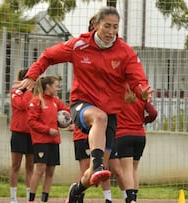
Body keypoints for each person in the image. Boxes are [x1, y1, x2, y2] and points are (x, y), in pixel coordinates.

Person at [14, 6, 152, 203]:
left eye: (115, 27)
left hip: (109, 114)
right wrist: (32, 76)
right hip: (82, 105)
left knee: (96, 175)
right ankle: (97, 166)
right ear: (96, 25)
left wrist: (142, 90)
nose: (111, 32)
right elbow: (48, 55)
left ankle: (77, 189)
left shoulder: (125, 52)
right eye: (107, 26)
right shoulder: (79, 45)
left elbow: (137, 79)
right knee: (99, 118)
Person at [27, 76, 70, 203]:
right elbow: (31, 122)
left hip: (54, 141)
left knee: (50, 171)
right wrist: (47, 130)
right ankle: (31, 200)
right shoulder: (36, 101)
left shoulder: (56, 101)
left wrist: (70, 122)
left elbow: (67, 112)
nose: (58, 88)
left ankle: (45, 199)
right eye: (56, 86)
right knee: (39, 170)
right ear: (48, 86)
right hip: (41, 141)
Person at [116, 86, 158, 203]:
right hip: (140, 135)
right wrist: (144, 120)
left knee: (127, 169)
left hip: (123, 135)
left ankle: (130, 200)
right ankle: (134, 198)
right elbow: (153, 113)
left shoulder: (118, 94)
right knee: (134, 168)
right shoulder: (141, 96)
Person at [9, 69, 34, 203]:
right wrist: (28, 90)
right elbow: (22, 105)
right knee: (15, 165)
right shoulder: (15, 93)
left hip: (32, 134)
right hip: (18, 133)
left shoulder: (35, 94)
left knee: (30, 166)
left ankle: (30, 197)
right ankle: (13, 197)